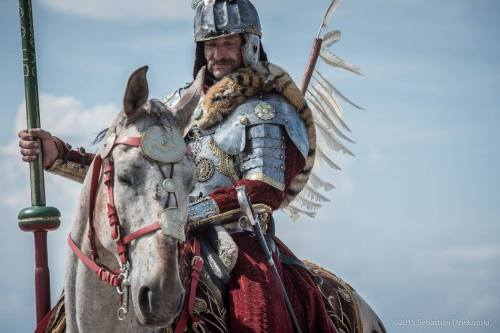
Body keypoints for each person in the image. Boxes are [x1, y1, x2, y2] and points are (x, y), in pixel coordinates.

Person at [19, 1, 335, 332]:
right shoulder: (175, 107)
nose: (218, 53)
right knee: (80, 299)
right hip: (158, 226)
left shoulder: (267, 111)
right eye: (211, 44)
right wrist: (59, 155)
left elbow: (263, 190)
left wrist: (184, 213)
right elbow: (127, 170)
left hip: (237, 236)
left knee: (257, 311)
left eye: (228, 43)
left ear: (250, 45)